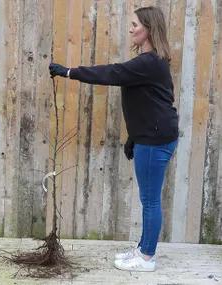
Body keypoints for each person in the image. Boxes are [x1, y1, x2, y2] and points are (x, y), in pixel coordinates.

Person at [49, 6, 178, 272]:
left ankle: (147, 257)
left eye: (135, 25)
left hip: (155, 141)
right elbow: (151, 105)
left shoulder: (149, 62)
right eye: (131, 25)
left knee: (151, 200)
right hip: (151, 137)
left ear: (149, 29)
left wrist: (69, 72)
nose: (131, 29)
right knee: (148, 199)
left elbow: (110, 73)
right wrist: (134, 136)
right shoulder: (152, 63)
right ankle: (144, 249)